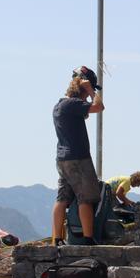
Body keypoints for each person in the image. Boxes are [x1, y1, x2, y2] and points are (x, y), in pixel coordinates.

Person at [51, 65, 104, 245]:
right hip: (78, 158)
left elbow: (86, 113)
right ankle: (88, 239)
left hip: (62, 158)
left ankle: (57, 239)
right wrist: (90, 90)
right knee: (85, 197)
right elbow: (99, 107)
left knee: (63, 197)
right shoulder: (73, 104)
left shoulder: (60, 105)